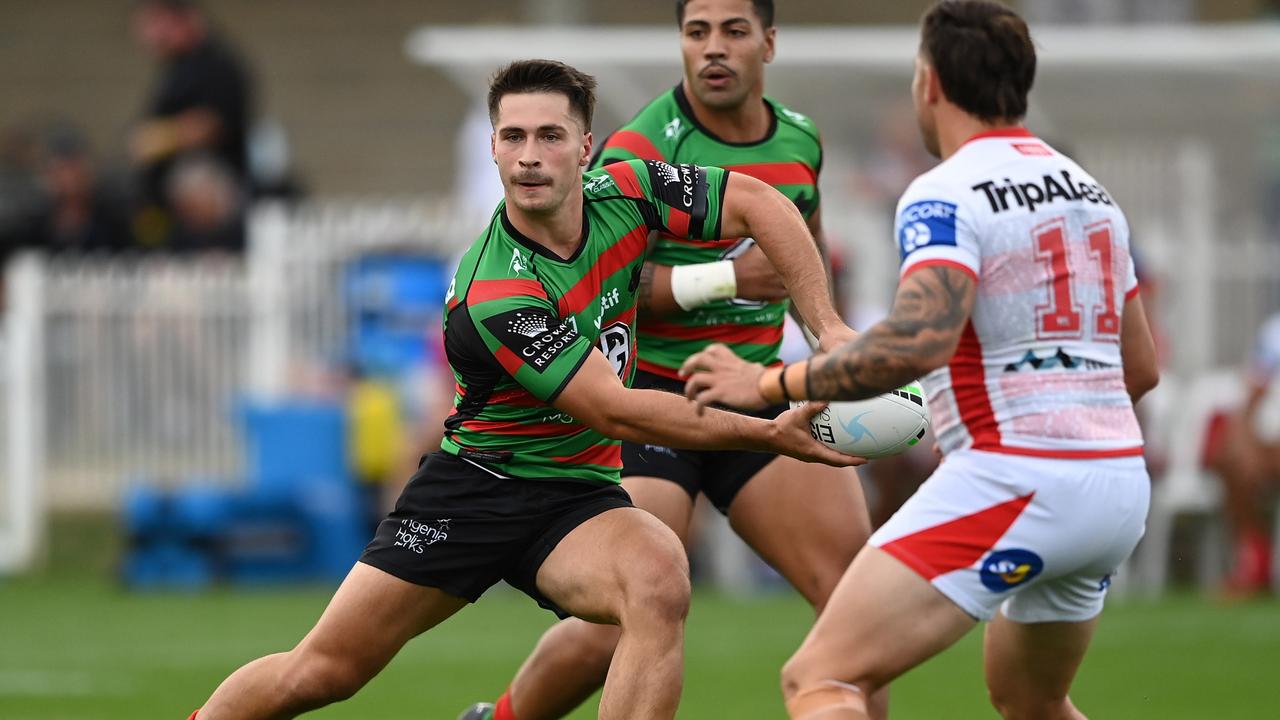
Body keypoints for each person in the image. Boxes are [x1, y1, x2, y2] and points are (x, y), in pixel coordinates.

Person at [186, 58, 860, 720]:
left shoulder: (628, 192)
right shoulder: (497, 286)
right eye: (513, 137)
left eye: (550, 136)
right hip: (474, 490)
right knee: (322, 673)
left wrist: (828, 326)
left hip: (575, 495)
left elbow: (759, 201)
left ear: (586, 148)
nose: (530, 156)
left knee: (658, 578)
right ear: (493, 149)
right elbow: (615, 409)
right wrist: (772, 430)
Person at [679, 3, 1161, 718]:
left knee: (822, 679)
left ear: (929, 83)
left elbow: (916, 342)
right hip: (1116, 486)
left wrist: (768, 381)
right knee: (1032, 699)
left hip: (1015, 478)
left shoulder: (944, 190)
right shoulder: (1092, 195)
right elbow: (1141, 367)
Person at [459, 3, 881, 719]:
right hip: (655, 399)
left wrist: (827, 336)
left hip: (758, 389)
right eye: (697, 32)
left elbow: (801, 247)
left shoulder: (800, 140)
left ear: (768, 43)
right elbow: (603, 290)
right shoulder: (641, 144)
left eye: (734, 31)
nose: (714, 49)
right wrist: (722, 278)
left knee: (861, 608)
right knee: (625, 614)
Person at [130, 0, 252, 248]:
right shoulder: (175, 70)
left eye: (158, 24)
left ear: (185, 21)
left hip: (212, 209)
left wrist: (157, 139)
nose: (152, 36)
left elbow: (211, 125)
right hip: (168, 215)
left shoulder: (217, 66)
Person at [1209, 311, 1280, 595]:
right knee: (1229, 457)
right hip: (1271, 438)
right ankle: (1255, 559)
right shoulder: (1275, 331)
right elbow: (1254, 389)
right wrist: (1243, 441)